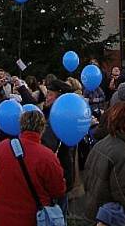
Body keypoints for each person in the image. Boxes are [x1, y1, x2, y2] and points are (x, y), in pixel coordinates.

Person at [0, 108, 66, 226]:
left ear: (21, 125)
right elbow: (58, 190)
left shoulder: (2, 147)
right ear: (42, 129)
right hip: (29, 218)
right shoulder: (47, 157)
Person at [41, 78, 76, 213]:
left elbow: (47, 147)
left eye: (50, 94)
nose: (47, 98)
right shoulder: (51, 114)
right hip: (60, 175)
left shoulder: (57, 119)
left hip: (58, 176)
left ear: (59, 99)